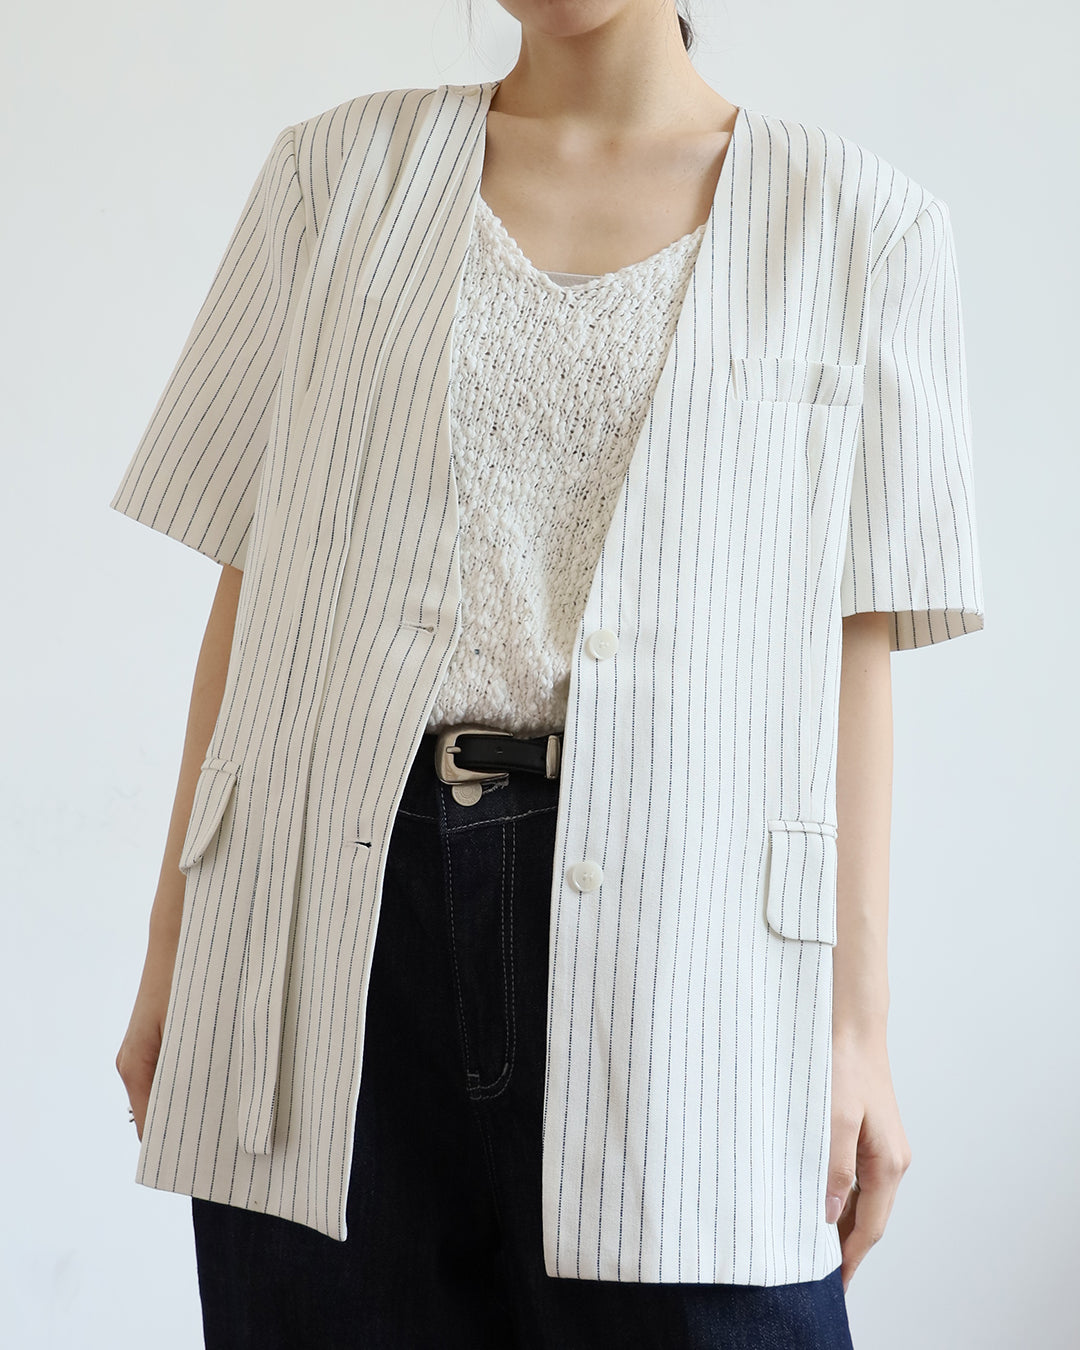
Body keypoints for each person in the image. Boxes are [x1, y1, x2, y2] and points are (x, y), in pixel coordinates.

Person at [112, 2, 985, 1346]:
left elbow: (849, 649)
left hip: (685, 949)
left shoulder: (863, 225)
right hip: (333, 929)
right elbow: (251, 580)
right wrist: (175, 950)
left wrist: (854, 1029)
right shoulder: (330, 179)